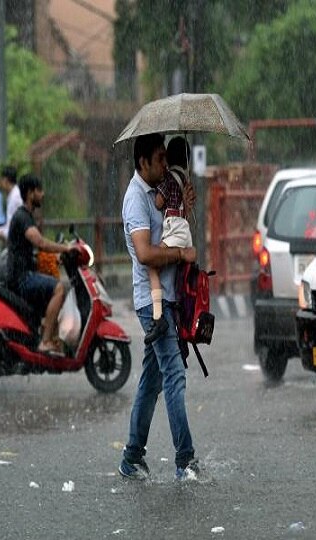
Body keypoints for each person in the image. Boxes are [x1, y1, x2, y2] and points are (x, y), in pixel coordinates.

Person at [119, 133, 200, 481]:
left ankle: (131, 458)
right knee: (175, 377)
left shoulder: (157, 192)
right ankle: (186, 460)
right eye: (160, 160)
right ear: (143, 163)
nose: (166, 165)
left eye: (168, 159)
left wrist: (183, 209)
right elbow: (145, 253)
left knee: (152, 381)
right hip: (151, 304)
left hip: (169, 297)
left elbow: (169, 225)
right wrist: (180, 253)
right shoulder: (135, 198)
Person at [7, 174, 74, 355]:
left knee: (53, 287)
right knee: (59, 288)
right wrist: (65, 248)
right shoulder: (22, 217)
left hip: (24, 274)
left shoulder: (26, 215)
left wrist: (57, 257)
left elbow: (33, 249)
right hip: (21, 278)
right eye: (39, 190)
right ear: (30, 193)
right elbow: (40, 242)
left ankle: (49, 336)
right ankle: (45, 342)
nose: (42, 194)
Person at [144, 136, 194, 344]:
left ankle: (158, 317)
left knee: (152, 265)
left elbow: (157, 203)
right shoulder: (184, 178)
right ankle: (182, 318)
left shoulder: (169, 178)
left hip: (173, 228)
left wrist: (157, 191)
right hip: (184, 229)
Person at [0, 165, 21, 241]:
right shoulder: (14, 194)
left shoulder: (14, 198)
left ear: (5, 180)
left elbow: (11, 230)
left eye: (1, 180)